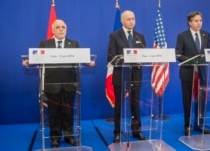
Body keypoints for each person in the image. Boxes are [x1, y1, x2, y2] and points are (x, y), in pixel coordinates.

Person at [22, 19, 95, 148]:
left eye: (63, 27)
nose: (61, 29)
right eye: (58, 27)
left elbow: (83, 58)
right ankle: (55, 137)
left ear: (66, 29)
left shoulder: (74, 44)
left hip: (70, 83)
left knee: (68, 111)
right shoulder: (45, 44)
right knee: (53, 112)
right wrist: (29, 61)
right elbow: (36, 57)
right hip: (52, 83)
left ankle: (68, 135)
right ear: (53, 30)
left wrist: (88, 62)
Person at [107, 10, 147, 143]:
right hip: (121, 75)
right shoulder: (115, 35)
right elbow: (111, 56)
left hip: (136, 74)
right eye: (128, 19)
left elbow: (144, 54)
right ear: (122, 21)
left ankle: (137, 131)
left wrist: (141, 58)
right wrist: (127, 59)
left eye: (133, 19)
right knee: (119, 106)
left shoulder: (139, 36)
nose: (131, 21)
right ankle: (117, 133)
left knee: (135, 105)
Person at [175, 11, 210, 136]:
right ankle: (187, 126)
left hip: (202, 73)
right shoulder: (182, 36)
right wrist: (192, 61)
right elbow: (178, 54)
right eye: (196, 21)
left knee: (201, 100)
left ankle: (200, 124)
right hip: (188, 73)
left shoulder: (206, 35)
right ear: (190, 22)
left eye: (200, 20)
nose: (199, 23)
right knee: (187, 101)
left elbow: (208, 54)